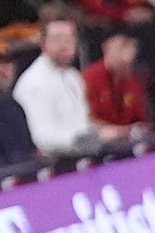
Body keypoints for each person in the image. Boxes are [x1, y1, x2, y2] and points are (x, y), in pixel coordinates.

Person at [12, 11, 94, 156]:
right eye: (57, 38)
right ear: (43, 44)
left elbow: (82, 121)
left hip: (84, 153)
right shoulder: (34, 82)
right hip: (54, 163)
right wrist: (84, 140)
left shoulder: (73, 77)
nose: (64, 44)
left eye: (69, 38)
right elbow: (42, 138)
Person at [83, 27, 153, 133]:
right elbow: (87, 120)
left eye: (130, 48)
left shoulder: (133, 80)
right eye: (121, 48)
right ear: (106, 48)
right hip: (100, 139)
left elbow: (141, 120)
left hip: (128, 139)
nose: (126, 56)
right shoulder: (89, 78)